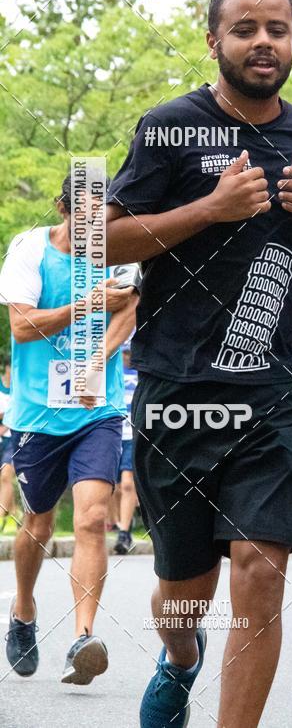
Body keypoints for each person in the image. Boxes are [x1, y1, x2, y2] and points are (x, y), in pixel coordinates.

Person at [104, 0, 292, 728]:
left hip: (276, 391)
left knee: (261, 569)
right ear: (215, 41)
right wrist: (208, 209)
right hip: (178, 391)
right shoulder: (167, 127)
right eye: (245, 29)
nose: (263, 42)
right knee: (185, 592)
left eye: (276, 28)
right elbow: (98, 240)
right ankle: (180, 659)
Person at [0, 173, 139, 684]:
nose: (97, 226)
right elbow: (21, 324)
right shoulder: (29, 249)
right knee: (37, 521)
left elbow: (127, 308)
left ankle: (82, 638)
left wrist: (96, 360)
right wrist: (83, 307)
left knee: (91, 517)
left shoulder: (119, 249)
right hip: (37, 413)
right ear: (63, 207)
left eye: (105, 215)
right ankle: (23, 610)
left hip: (96, 411)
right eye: (87, 213)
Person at [113, 342, 139, 555]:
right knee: (114, 486)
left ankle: (123, 533)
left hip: (133, 433)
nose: (127, 356)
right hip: (111, 432)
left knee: (129, 483)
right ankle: (123, 522)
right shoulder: (110, 369)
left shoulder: (142, 370)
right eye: (125, 352)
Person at [0, 356, 16, 532]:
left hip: (13, 438)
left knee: (6, 475)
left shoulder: (20, 390)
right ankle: (13, 514)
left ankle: (1, 517)